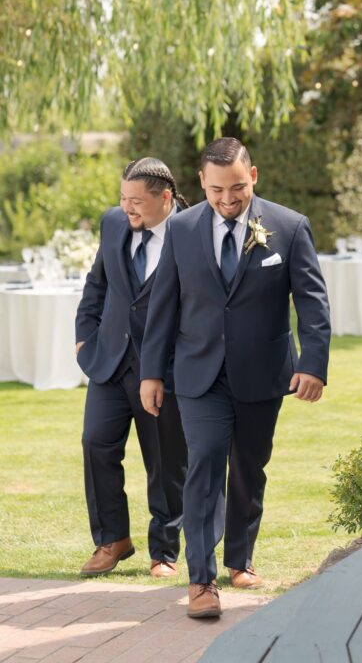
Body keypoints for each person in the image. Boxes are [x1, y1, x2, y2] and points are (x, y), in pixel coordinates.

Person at [140, 136, 331, 619]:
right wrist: (151, 373)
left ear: (254, 177)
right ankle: (201, 581)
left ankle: (240, 558)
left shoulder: (289, 227)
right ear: (201, 183)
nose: (228, 200)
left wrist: (313, 363)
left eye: (238, 188)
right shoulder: (181, 230)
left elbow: (312, 301)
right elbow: (163, 305)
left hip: (263, 373)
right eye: (217, 190)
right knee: (204, 463)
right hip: (197, 374)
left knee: (249, 468)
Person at [75, 157, 189, 578]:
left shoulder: (191, 231)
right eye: (123, 199)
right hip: (108, 362)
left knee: (164, 460)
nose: (128, 208)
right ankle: (112, 539)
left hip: (164, 368)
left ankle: (164, 550)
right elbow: (97, 283)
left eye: (137, 201)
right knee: (95, 444)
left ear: (166, 197)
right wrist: (84, 335)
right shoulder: (113, 223)